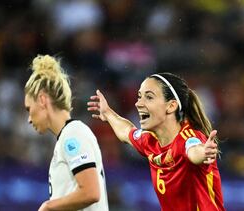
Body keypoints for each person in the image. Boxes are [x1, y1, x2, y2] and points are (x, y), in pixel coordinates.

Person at [88, 72, 225, 211]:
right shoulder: (149, 140)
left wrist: (204, 152)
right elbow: (126, 132)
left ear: (171, 106)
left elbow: (193, 150)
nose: (138, 104)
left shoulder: (188, 138)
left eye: (149, 97)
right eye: (139, 97)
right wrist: (108, 113)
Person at [24, 54, 109, 211]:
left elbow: (91, 192)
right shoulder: (66, 137)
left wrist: (48, 206)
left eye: (29, 109)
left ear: (42, 100)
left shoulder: (73, 133)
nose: (29, 119)